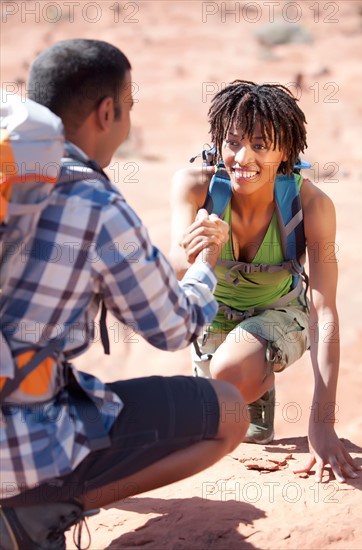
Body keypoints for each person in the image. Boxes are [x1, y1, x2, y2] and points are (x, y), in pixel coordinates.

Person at [0, 40, 248, 550]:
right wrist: (206, 264)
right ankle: (39, 511)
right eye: (129, 108)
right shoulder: (93, 203)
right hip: (19, 447)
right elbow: (173, 328)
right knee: (227, 412)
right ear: (106, 111)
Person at [169, 80, 359, 483]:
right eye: (233, 142)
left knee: (229, 373)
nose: (243, 157)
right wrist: (203, 249)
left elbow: (324, 310)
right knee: (227, 416)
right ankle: (252, 379)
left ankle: (254, 360)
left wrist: (321, 423)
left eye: (260, 145)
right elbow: (174, 273)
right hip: (214, 311)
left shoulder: (312, 205)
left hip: (280, 309)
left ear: (286, 151)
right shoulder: (195, 185)